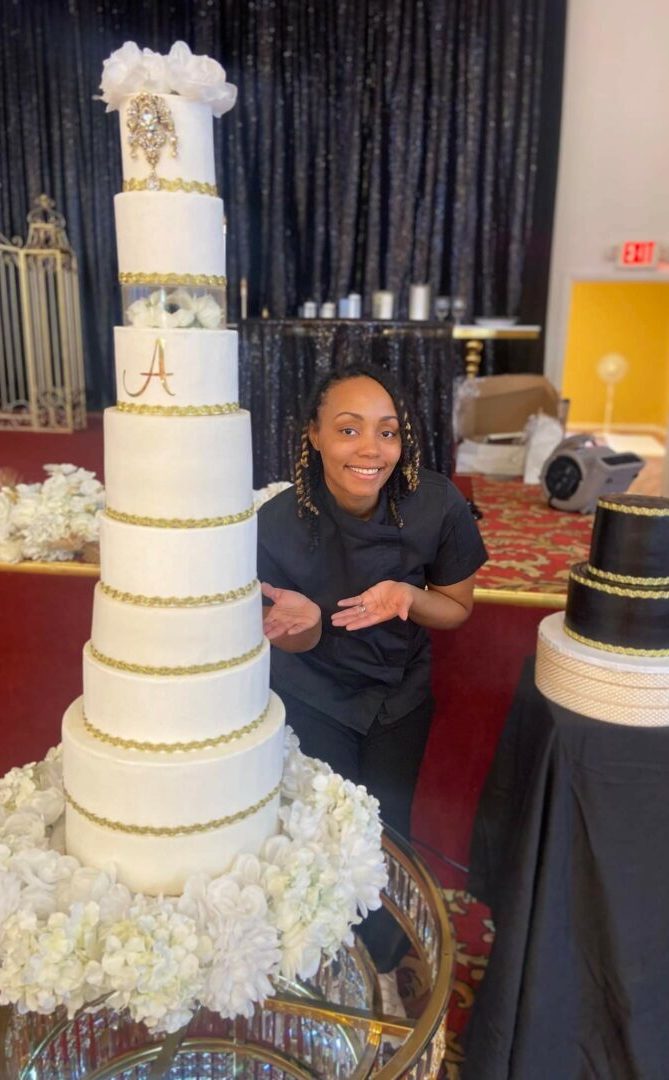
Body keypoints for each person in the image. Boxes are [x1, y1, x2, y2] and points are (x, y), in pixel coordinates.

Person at [257, 363, 487, 975]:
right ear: (314, 435)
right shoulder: (277, 525)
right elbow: (289, 641)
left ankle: (382, 967)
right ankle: (320, 963)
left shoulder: (436, 504)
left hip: (398, 697)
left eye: (387, 432)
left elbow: (457, 606)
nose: (371, 450)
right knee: (321, 834)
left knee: (388, 834)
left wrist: (409, 597)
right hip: (314, 695)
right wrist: (306, 627)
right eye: (348, 429)